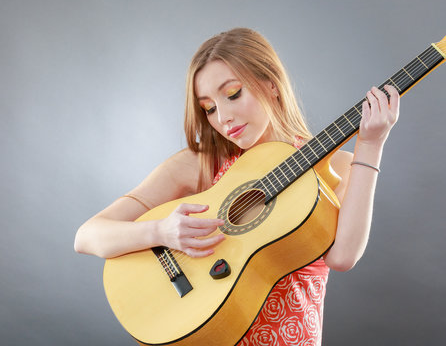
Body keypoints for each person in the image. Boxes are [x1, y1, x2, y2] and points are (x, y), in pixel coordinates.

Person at [74, 27, 400, 345]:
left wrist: (370, 145)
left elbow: (342, 257)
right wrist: (161, 232)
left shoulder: (333, 167)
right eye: (210, 108)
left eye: (232, 94)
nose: (223, 118)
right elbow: (88, 235)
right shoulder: (203, 164)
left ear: (270, 84)